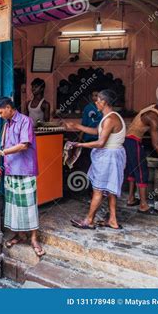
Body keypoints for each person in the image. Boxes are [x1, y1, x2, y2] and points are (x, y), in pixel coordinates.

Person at [0, 97, 45, 257]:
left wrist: (1, 153)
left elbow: (24, 145)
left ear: (9, 107)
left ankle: (33, 239)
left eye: (1, 112)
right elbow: (5, 147)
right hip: (11, 170)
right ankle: (19, 234)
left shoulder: (25, 121)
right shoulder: (7, 124)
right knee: (14, 205)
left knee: (29, 205)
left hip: (25, 170)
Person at [64, 90, 126, 230]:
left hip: (109, 156)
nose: (96, 103)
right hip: (113, 155)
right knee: (110, 190)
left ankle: (89, 220)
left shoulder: (110, 119)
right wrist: (77, 126)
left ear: (104, 102)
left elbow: (100, 143)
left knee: (98, 190)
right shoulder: (110, 117)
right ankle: (113, 220)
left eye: (98, 100)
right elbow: (96, 132)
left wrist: (79, 144)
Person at [124, 94, 158, 215]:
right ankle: (143, 205)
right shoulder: (153, 117)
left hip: (128, 141)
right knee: (142, 171)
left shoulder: (152, 107)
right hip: (133, 142)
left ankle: (131, 199)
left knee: (133, 170)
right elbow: (156, 145)